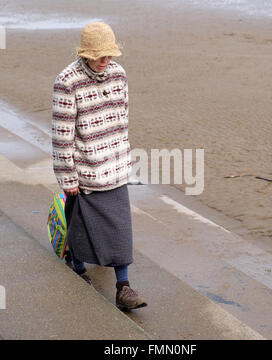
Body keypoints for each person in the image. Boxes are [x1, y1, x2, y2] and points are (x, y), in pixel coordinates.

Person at [51, 22, 147, 311]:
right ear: (85, 54)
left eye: (109, 54)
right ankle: (78, 266)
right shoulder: (67, 81)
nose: (106, 61)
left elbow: (123, 119)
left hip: (115, 164)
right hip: (85, 169)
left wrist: (124, 157)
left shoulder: (119, 74)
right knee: (81, 226)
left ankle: (124, 287)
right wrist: (67, 176)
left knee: (120, 228)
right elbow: (61, 135)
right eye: (100, 56)